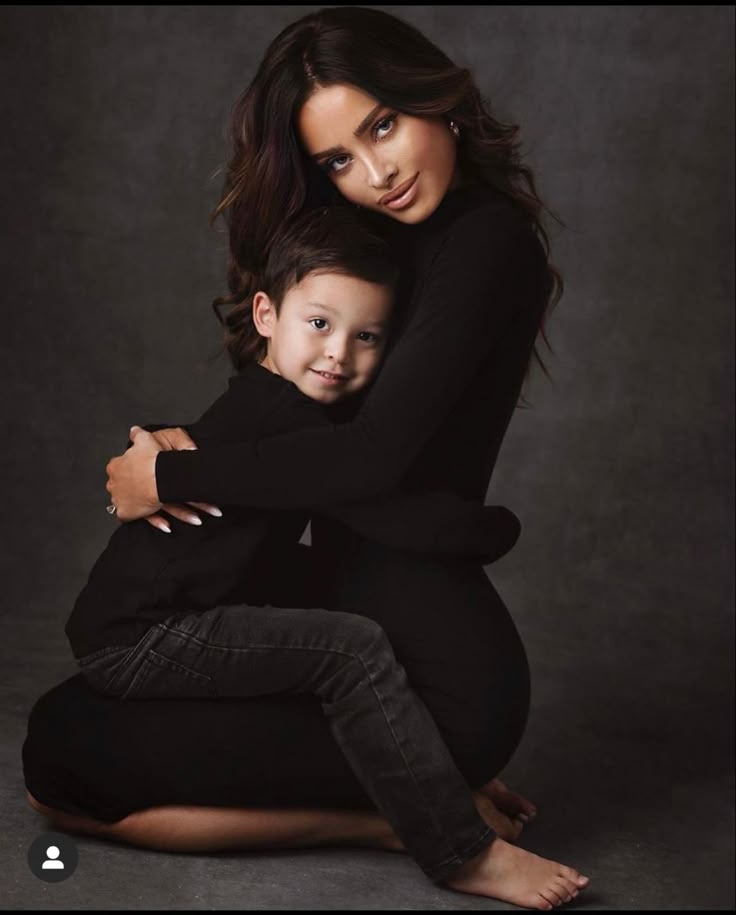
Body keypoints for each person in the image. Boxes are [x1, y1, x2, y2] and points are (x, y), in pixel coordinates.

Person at [24, 6, 590, 908]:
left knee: (65, 758)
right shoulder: (385, 247)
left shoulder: (482, 242)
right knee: (63, 738)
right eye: (338, 160)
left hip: (434, 677)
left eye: (382, 125)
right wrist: (183, 444)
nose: (377, 174)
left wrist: (168, 475)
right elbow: (303, 433)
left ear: (432, 95)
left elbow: (367, 458)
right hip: (351, 632)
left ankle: (428, 813)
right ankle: (394, 808)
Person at [64, 203, 527, 886]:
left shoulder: (273, 402)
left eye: (368, 336)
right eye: (320, 324)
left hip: (156, 620)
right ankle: (460, 849)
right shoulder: (292, 421)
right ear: (264, 316)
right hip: (143, 635)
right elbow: (379, 501)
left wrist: (163, 436)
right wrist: (490, 528)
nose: (339, 352)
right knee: (350, 647)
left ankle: (427, 786)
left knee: (328, 622)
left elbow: (229, 452)